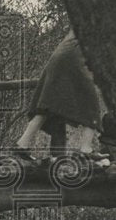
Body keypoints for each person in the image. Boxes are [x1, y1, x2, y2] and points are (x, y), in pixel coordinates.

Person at [14, 30, 104, 160]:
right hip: (74, 58)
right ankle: (86, 149)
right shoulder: (101, 19)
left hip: (60, 57)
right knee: (91, 104)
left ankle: (22, 144)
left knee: (48, 104)